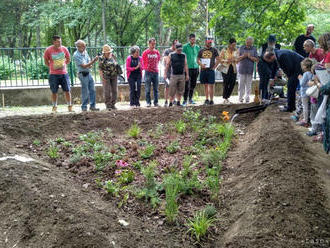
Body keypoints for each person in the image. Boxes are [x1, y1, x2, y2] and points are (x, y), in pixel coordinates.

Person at [43, 35, 73, 113]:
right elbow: (46, 61)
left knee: (67, 90)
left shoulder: (64, 49)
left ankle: (70, 106)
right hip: (53, 74)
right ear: (54, 42)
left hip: (64, 73)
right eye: (57, 41)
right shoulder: (48, 50)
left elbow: (69, 59)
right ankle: (54, 107)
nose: (59, 43)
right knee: (54, 91)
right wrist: (51, 66)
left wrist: (63, 65)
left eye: (60, 41)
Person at [73, 40, 99, 112]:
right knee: (85, 91)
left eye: (85, 45)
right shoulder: (76, 55)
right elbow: (84, 66)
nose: (85, 47)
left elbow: (88, 62)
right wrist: (93, 61)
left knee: (92, 90)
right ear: (78, 47)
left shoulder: (85, 52)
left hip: (88, 73)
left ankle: (92, 106)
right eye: (83, 46)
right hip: (82, 74)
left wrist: (90, 63)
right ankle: (84, 107)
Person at [164, 43, 189, 107]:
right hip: (174, 75)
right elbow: (167, 65)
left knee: (180, 89)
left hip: (181, 75)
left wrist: (187, 75)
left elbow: (186, 65)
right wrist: (165, 73)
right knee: (172, 89)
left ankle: (178, 101)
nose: (179, 51)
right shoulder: (171, 55)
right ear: (175, 48)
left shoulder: (184, 55)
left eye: (180, 50)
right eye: (178, 50)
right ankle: (170, 102)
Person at [197, 37, 220, 105]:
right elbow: (197, 60)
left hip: (210, 70)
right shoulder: (201, 50)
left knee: (211, 85)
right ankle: (206, 99)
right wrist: (201, 64)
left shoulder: (214, 50)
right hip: (203, 70)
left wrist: (214, 67)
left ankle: (211, 100)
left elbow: (218, 59)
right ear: (205, 42)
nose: (210, 43)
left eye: (210, 42)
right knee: (205, 85)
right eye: (208, 42)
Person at [258, 35, 281, 101]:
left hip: (272, 65)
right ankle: (262, 97)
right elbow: (259, 57)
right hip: (262, 65)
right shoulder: (263, 46)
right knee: (263, 81)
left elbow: (277, 59)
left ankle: (269, 96)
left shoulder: (278, 46)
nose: (271, 43)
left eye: (273, 42)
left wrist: (278, 70)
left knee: (271, 80)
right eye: (270, 41)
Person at [237, 37, 259, 103]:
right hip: (241, 69)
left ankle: (247, 98)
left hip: (250, 69)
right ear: (245, 41)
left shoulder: (254, 49)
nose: (248, 43)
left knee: (248, 85)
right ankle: (240, 98)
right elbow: (237, 58)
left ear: (252, 42)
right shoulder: (241, 48)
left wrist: (250, 57)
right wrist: (243, 56)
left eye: (249, 42)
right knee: (241, 84)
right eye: (247, 42)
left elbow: (257, 59)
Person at [218, 38, 239, 104]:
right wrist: (227, 60)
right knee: (226, 83)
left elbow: (238, 60)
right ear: (229, 44)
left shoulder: (236, 51)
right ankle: (225, 98)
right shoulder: (224, 51)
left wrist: (234, 60)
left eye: (235, 45)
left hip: (233, 68)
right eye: (233, 45)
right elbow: (220, 60)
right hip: (225, 69)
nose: (234, 46)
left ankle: (227, 97)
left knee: (232, 83)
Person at [142, 38, 161, 107]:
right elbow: (143, 61)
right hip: (148, 72)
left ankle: (156, 102)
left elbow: (158, 60)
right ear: (149, 44)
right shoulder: (145, 52)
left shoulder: (157, 52)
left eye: (154, 44)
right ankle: (148, 102)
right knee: (147, 88)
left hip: (155, 72)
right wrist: (147, 68)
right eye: (152, 44)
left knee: (156, 88)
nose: (153, 45)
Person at [98, 44, 118, 110]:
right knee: (107, 90)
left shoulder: (113, 56)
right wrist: (102, 77)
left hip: (114, 75)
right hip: (105, 76)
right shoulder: (101, 58)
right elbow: (100, 68)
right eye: (107, 52)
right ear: (104, 53)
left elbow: (116, 64)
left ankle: (113, 104)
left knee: (115, 90)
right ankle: (108, 105)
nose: (108, 53)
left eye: (109, 52)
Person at [182, 34, 200, 106]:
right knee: (187, 85)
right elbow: (183, 57)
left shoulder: (197, 47)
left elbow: (198, 57)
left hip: (195, 68)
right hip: (188, 69)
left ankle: (190, 99)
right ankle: (185, 100)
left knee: (193, 84)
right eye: (192, 39)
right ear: (189, 39)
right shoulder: (185, 47)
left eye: (194, 39)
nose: (193, 40)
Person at [297, 58, 313, 127]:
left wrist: (300, 78)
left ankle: (305, 121)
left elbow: (302, 84)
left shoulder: (306, 74)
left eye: (302, 65)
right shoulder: (312, 73)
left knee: (305, 107)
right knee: (310, 107)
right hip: (311, 92)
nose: (301, 67)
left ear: (305, 67)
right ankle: (309, 120)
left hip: (304, 93)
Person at [163, 39, 178, 107]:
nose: (177, 46)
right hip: (168, 71)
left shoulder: (178, 51)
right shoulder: (167, 51)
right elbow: (166, 61)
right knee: (167, 87)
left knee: (174, 86)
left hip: (175, 72)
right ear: (173, 44)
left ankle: (173, 100)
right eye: (176, 44)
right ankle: (166, 101)